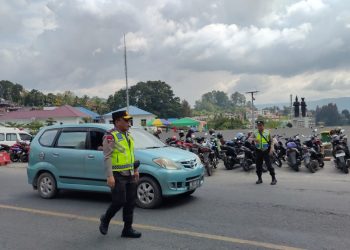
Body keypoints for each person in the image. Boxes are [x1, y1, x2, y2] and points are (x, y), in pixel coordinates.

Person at [99, 110, 142, 238]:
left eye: (129, 120)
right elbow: (107, 157)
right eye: (126, 120)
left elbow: (130, 155)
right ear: (117, 121)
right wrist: (110, 176)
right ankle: (105, 219)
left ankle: (127, 229)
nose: (129, 123)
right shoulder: (110, 136)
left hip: (129, 174)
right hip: (117, 174)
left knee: (130, 202)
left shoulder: (128, 136)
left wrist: (135, 170)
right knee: (119, 201)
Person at [252, 120, 277, 185]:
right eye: (258, 126)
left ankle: (274, 179)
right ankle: (259, 179)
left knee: (269, 166)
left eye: (260, 125)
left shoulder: (267, 132)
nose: (259, 127)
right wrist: (254, 139)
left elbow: (271, 141)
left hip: (266, 151)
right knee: (258, 166)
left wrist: (271, 149)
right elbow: (249, 139)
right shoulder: (255, 132)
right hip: (258, 151)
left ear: (263, 126)